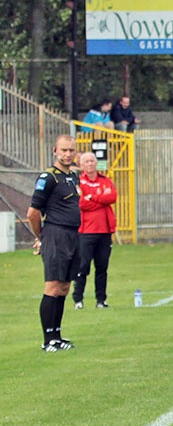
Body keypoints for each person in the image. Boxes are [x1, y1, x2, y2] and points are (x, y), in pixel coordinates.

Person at [26, 134, 81, 352]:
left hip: (72, 235)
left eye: (71, 150)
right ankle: (47, 339)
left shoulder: (72, 177)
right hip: (56, 234)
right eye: (63, 150)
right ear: (54, 151)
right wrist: (40, 237)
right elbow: (32, 213)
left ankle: (57, 335)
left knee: (65, 287)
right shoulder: (48, 177)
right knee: (52, 286)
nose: (67, 154)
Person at [73, 152, 117, 310]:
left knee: (102, 267)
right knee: (83, 266)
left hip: (105, 230)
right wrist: (99, 199)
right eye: (87, 161)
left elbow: (112, 197)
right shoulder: (79, 182)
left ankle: (101, 299)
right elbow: (81, 204)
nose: (90, 164)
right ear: (81, 165)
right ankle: (78, 299)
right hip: (86, 231)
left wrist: (92, 197)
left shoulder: (105, 180)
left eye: (92, 161)